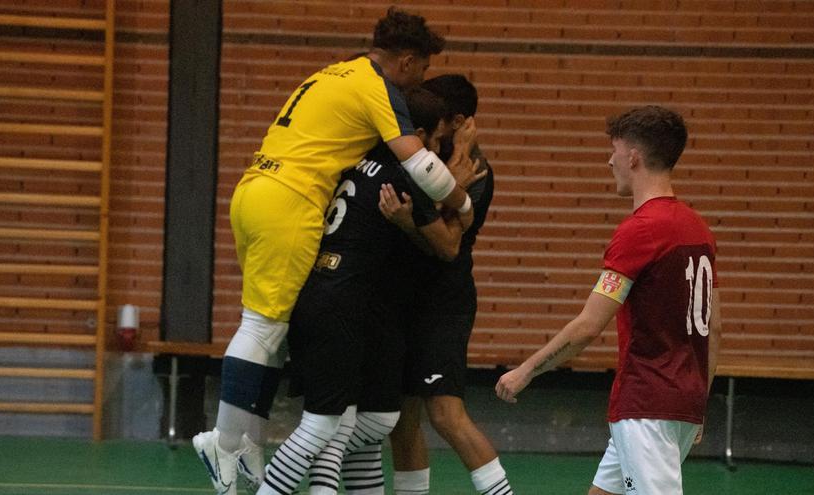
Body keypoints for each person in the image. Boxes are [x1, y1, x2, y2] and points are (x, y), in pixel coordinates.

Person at [192, 8, 478, 495]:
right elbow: (422, 167)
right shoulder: (376, 86)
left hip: (255, 190)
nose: (418, 83)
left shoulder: (331, 71)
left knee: (272, 328)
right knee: (261, 327)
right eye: (421, 70)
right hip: (291, 200)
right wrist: (463, 199)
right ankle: (224, 439)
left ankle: (247, 441)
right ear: (408, 60)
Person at [495, 105, 722, 495]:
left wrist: (526, 371)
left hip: (646, 404)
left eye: (614, 151)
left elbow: (588, 326)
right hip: (683, 399)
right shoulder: (697, 227)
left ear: (633, 157)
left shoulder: (641, 230)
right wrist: (699, 400)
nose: (610, 160)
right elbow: (713, 326)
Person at [261, 88, 475, 495]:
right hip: (340, 303)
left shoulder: (351, 161)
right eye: (437, 138)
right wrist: (460, 202)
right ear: (421, 133)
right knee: (326, 428)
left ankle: (326, 462)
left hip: (332, 298)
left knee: (366, 424)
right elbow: (447, 246)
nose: (438, 148)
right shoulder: (408, 171)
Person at [386, 74, 514, 495]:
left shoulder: (474, 168)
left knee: (445, 415)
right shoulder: (422, 157)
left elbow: (448, 242)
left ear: (458, 121)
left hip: (443, 303)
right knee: (401, 422)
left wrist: (418, 214)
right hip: (404, 300)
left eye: (439, 117)